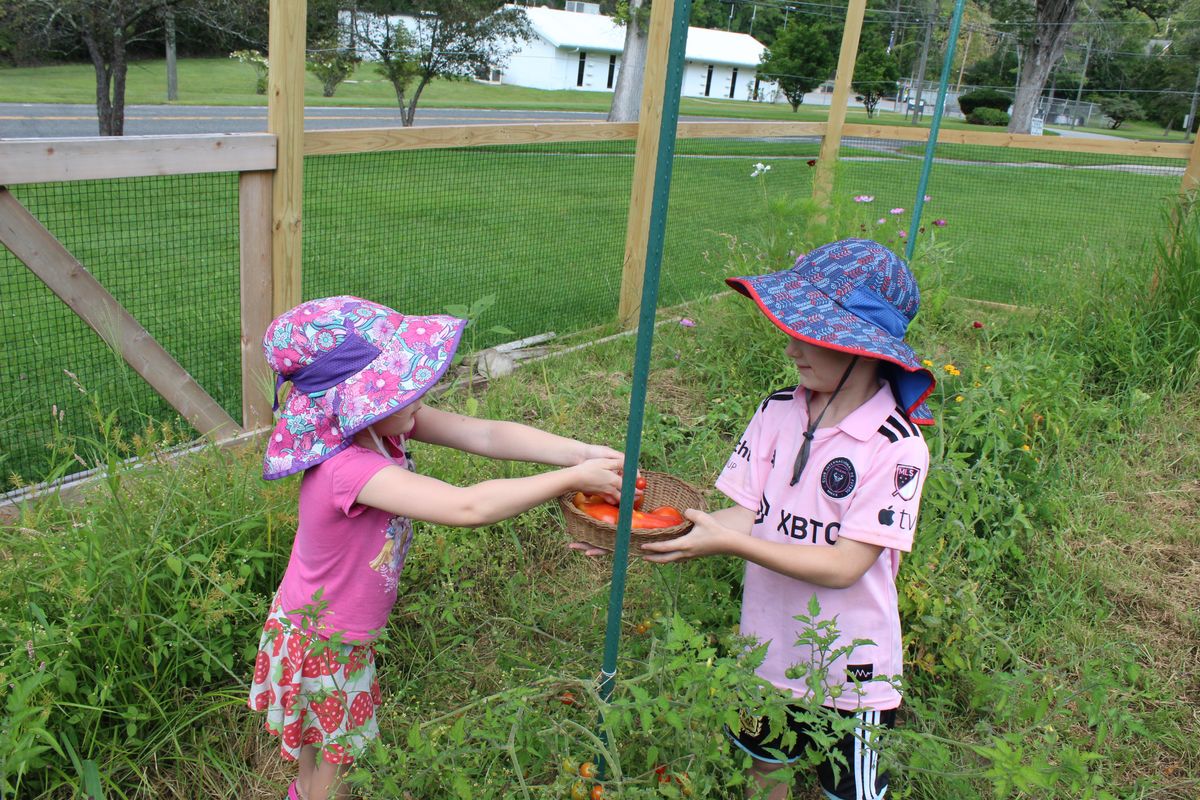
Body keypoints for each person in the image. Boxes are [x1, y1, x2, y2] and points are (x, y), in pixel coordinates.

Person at [247, 296, 624, 800]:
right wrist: (571, 479)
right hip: (323, 642)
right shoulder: (347, 469)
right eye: (400, 387)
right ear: (355, 402)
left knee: (321, 756)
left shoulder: (381, 427)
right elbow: (467, 507)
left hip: (321, 627)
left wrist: (582, 453)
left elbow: (486, 434)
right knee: (333, 775)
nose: (419, 394)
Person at [641, 238, 936, 800]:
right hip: (767, 652)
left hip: (853, 674)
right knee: (763, 769)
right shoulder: (778, 408)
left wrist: (732, 546)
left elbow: (846, 565)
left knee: (850, 792)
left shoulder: (896, 446)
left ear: (864, 347)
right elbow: (750, 512)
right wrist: (652, 528)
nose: (792, 343)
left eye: (811, 331)